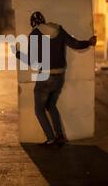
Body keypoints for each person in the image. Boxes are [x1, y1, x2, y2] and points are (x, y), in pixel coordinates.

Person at [13, 11, 97, 147]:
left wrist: (16, 53)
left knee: (39, 110)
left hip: (45, 76)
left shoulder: (35, 34)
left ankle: (51, 138)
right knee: (51, 105)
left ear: (33, 24)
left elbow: (31, 61)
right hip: (59, 76)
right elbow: (75, 44)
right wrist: (89, 42)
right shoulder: (59, 30)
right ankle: (60, 136)